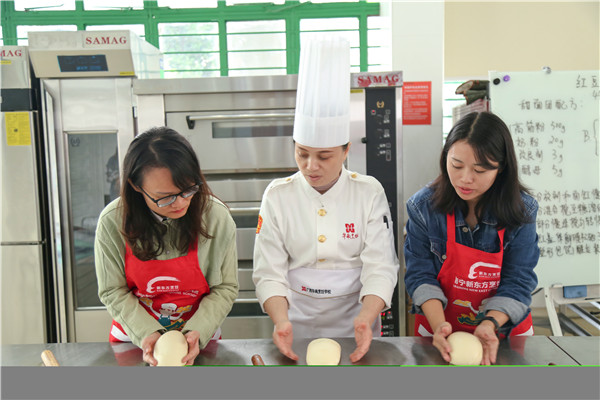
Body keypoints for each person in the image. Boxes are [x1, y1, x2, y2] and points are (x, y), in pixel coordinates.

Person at [252, 37, 399, 363]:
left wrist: (367, 318)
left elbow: (381, 266)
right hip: (295, 323)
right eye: (302, 153)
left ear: (346, 151)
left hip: (356, 322)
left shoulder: (368, 192)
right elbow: (269, 271)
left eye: (324, 156)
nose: (310, 166)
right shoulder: (278, 196)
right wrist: (281, 321)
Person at [94, 126, 238, 366]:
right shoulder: (112, 222)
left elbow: (225, 287)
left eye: (188, 190)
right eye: (165, 197)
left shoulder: (216, 217)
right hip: (135, 340)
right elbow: (112, 291)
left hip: (198, 338)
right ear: (136, 186)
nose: (180, 203)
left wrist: (197, 332)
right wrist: (146, 332)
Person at [404, 111, 540, 365]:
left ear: (501, 169)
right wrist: (440, 326)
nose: (465, 178)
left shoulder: (521, 211)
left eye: (480, 170)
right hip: (439, 330)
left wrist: (489, 324)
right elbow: (420, 275)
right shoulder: (423, 208)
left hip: (501, 332)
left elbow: (519, 280)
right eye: (456, 165)